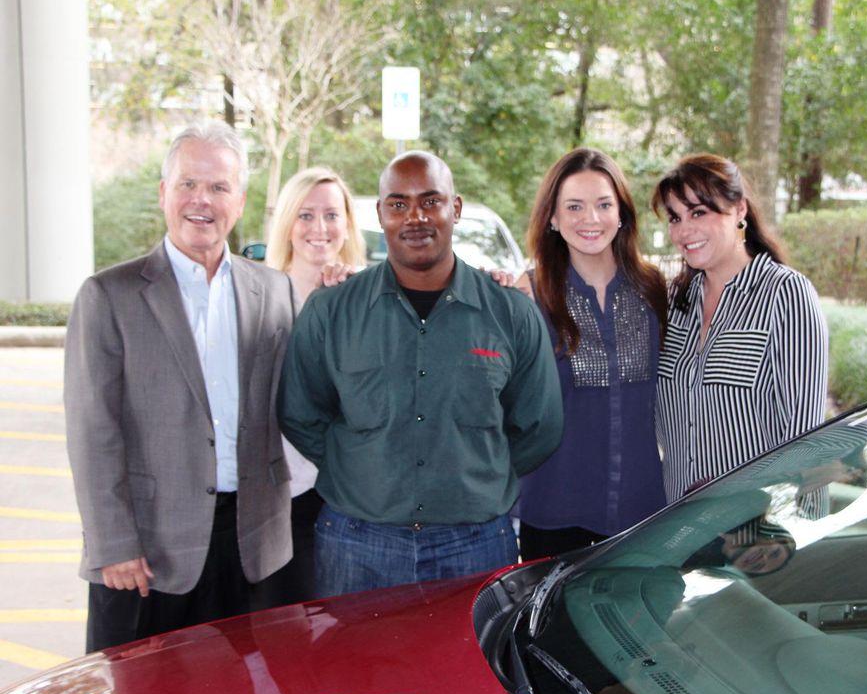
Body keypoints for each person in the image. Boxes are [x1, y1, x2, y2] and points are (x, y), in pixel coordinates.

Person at [277, 150, 563, 598]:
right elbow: (300, 412)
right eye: (398, 204)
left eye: (431, 201)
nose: (415, 217)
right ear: (380, 213)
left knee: (470, 670)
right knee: (354, 669)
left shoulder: (510, 312)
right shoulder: (331, 310)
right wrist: (360, 469)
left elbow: (539, 426)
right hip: (357, 545)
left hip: (476, 544)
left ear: (456, 208)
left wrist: (475, 475)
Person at [64, 120, 296, 652]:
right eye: (189, 184)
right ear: (164, 193)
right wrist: (113, 543)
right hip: (146, 555)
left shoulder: (274, 290)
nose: (202, 200)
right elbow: (91, 431)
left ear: (238, 202)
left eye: (218, 187)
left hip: (250, 548)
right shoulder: (109, 296)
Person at [513, 148, 669, 561]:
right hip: (553, 517)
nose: (591, 219)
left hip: (645, 516)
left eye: (603, 205)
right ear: (553, 217)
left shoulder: (656, 292)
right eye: (574, 207)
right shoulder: (528, 297)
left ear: (622, 213)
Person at [651, 153, 828, 503]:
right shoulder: (673, 301)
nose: (684, 231)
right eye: (675, 218)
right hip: (679, 528)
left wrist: (799, 540)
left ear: (740, 210)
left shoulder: (786, 294)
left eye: (699, 212)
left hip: (759, 539)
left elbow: (806, 441)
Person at [256, 167, 367, 607]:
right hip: (279, 497)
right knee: (279, 634)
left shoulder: (364, 297)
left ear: (347, 225)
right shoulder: (258, 297)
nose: (319, 228)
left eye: (331, 215)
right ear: (286, 224)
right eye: (305, 215)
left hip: (346, 498)